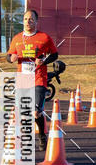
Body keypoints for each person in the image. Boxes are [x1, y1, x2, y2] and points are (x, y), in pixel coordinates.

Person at [7, 8, 58, 150]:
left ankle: (42, 135)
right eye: (25, 19)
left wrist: (44, 61)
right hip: (23, 79)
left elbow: (54, 55)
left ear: (36, 21)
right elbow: (9, 55)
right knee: (23, 113)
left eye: (31, 19)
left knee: (36, 112)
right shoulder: (17, 38)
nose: (28, 21)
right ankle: (26, 141)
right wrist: (11, 58)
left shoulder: (44, 37)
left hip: (39, 78)